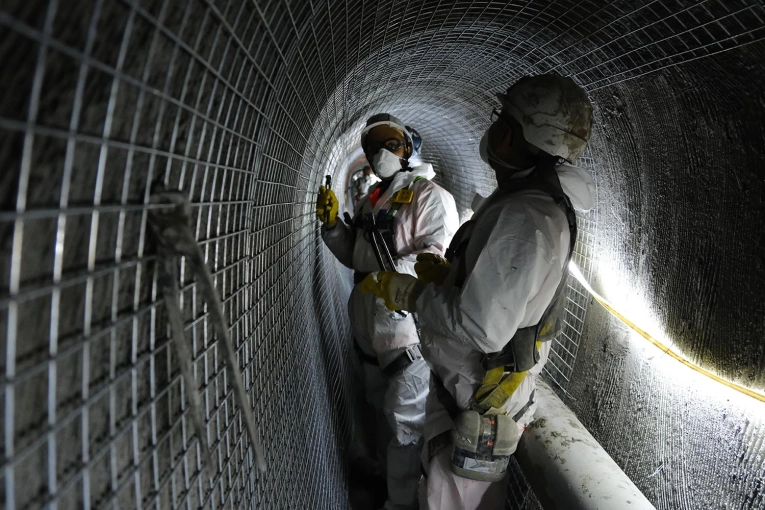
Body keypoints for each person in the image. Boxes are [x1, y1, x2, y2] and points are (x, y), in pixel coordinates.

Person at [360, 75, 596, 509]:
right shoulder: (526, 202)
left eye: (500, 120)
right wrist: (448, 277)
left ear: (510, 135)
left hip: (473, 408)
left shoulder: (525, 218)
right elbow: (496, 294)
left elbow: (481, 327)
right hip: (464, 399)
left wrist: (411, 294)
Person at [316, 113, 459, 510]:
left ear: (409, 147)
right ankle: (385, 480)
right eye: (372, 147)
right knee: (380, 412)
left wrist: (391, 277)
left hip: (406, 330)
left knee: (405, 425)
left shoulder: (431, 197)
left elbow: (435, 259)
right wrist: (332, 228)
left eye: (389, 144)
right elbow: (355, 256)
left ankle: (401, 504)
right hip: (369, 328)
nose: (380, 154)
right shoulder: (371, 200)